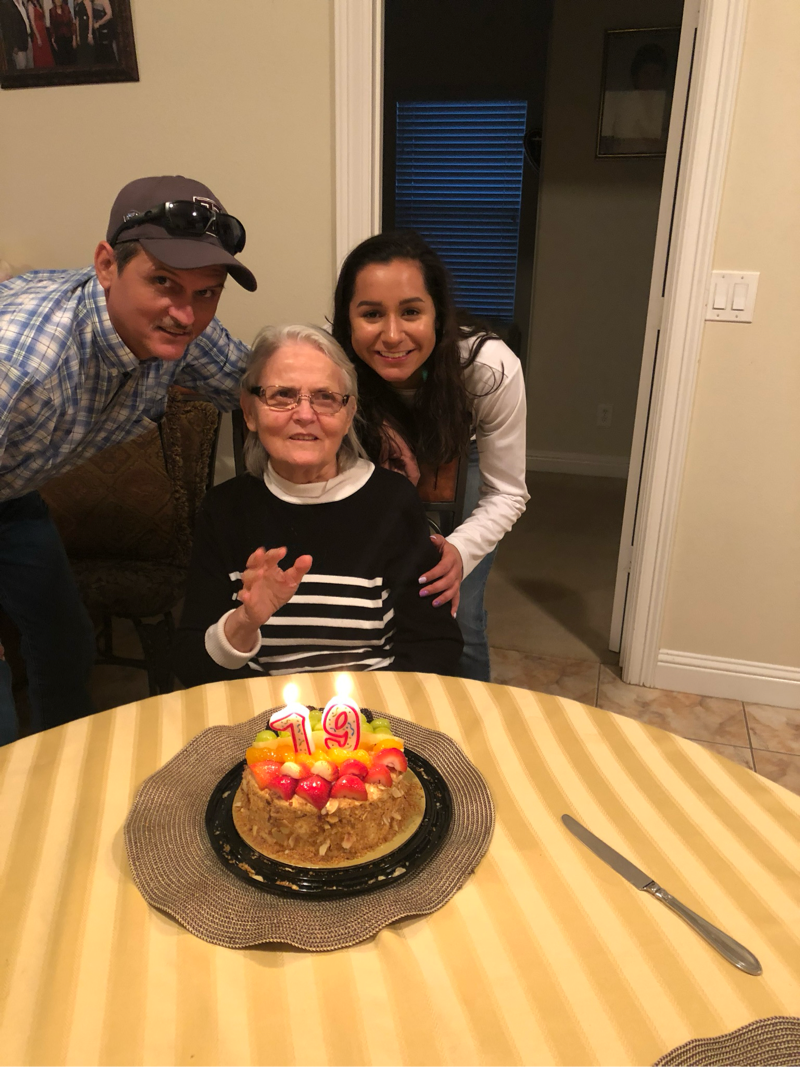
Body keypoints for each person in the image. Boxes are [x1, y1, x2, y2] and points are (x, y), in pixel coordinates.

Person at [0, 174, 257, 745]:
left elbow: (258, 388)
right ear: (107, 264)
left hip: (10, 494)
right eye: (161, 281)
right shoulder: (22, 368)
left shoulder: (180, 332)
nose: (185, 314)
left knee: (64, 642)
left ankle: (58, 770)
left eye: (206, 292)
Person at [174, 325, 463, 685]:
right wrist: (243, 624)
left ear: (348, 414)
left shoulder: (392, 502)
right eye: (283, 395)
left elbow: (436, 645)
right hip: (266, 724)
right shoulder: (224, 509)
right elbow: (191, 666)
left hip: (373, 720)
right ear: (249, 412)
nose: (305, 414)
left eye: (325, 397)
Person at [331, 230, 528, 682]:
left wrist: (458, 550)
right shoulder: (331, 363)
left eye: (412, 311)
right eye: (372, 313)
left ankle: (468, 730)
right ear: (347, 319)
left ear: (439, 315)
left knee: (457, 612)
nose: (393, 334)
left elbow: (508, 492)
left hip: (463, 453)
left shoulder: (489, 367)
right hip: (365, 464)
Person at [27, 0, 53, 66]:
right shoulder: (30, 5)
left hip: (43, 30)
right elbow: (32, 23)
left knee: (46, 52)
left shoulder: (38, 3)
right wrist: (38, 37)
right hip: (37, 32)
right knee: (40, 54)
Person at [47, 0, 74, 65]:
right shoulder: (52, 11)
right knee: (62, 59)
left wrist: (74, 37)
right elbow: (52, 26)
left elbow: (71, 23)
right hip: (59, 38)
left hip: (68, 36)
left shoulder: (66, 8)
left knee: (70, 59)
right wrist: (53, 39)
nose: (58, 1)